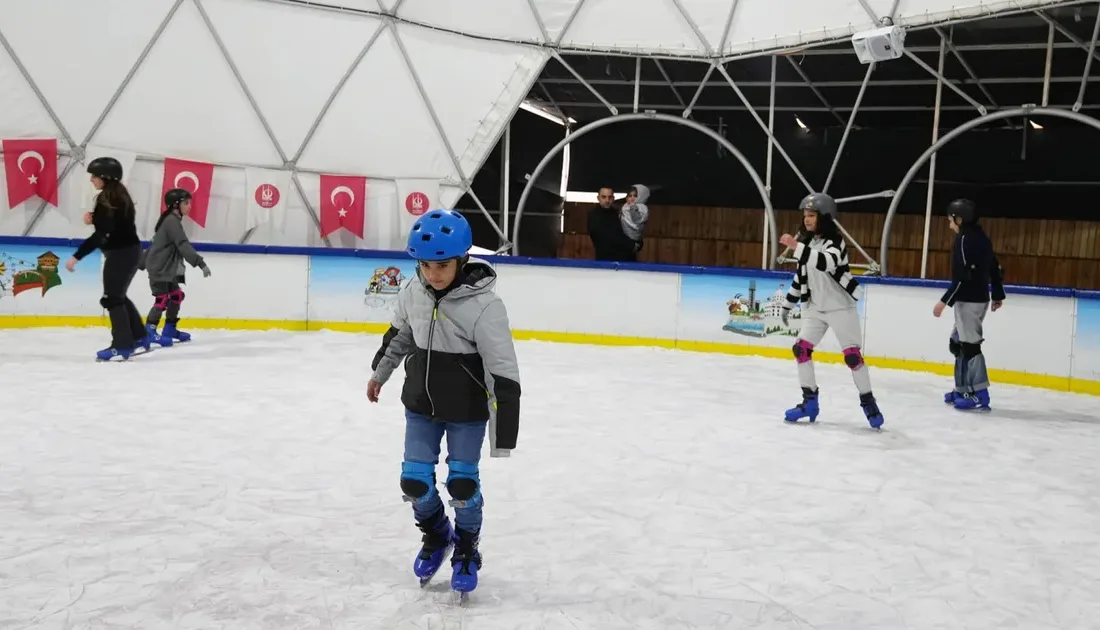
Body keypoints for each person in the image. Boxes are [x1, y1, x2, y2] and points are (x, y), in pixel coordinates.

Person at [366, 209, 521, 597]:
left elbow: (502, 371)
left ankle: (467, 546)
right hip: (421, 405)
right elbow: (399, 335)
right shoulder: (412, 291)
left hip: (466, 413)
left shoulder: (485, 307)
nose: (432, 273)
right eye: (425, 265)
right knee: (414, 482)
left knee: (463, 484)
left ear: (462, 259)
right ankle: (437, 535)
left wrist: (503, 435)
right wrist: (379, 373)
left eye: (442, 265)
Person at [778, 192, 884, 429]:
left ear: (824, 217)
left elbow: (825, 262)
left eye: (812, 215)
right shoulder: (806, 244)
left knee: (852, 356)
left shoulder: (835, 242)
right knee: (800, 349)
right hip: (815, 308)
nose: (806, 220)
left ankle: (869, 402)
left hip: (840, 307)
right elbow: (801, 277)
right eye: (805, 215)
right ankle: (809, 402)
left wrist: (796, 247)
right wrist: (788, 304)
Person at [65, 157, 149, 361]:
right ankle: (139, 337)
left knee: (113, 299)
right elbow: (115, 224)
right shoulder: (119, 196)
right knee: (118, 295)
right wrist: (94, 218)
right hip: (130, 251)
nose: (91, 180)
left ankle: (121, 346)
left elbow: (102, 235)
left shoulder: (106, 199)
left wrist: (76, 257)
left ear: (105, 177)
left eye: (94, 176)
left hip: (121, 254)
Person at [935, 198, 1005, 412]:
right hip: (978, 298)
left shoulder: (964, 240)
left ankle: (979, 394)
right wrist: (997, 293)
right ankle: (962, 389)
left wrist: (944, 301)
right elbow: (994, 266)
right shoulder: (982, 237)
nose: (950, 225)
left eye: (951, 220)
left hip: (968, 300)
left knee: (969, 347)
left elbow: (964, 275)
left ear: (960, 219)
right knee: (958, 344)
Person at [139, 188, 212, 346]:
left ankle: (170, 328)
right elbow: (182, 245)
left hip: (166, 268)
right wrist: (200, 263)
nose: (189, 206)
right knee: (162, 299)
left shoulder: (172, 220)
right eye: (186, 203)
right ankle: (149, 331)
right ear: (175, 205)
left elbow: (156, 243)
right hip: (159, 268)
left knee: (176, 295)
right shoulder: (171, 221)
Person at [587, 186, 636, 262]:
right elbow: (607, 236)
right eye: (604, 197)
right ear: (598, 198)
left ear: (613, 198)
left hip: (624, 261)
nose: (607, 200)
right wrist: (631, 245)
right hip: (605, 261)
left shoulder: (617, 213)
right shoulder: (594, 216)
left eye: (610, 197)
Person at [620, 184, 650, 254]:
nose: (632, 198)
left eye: (635, 196)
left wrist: (633, 208)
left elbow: (636, 219)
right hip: (624, 237)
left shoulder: (641, 208)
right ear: (626, 198)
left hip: (634, 238)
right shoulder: (624, 207)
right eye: (630, 196)